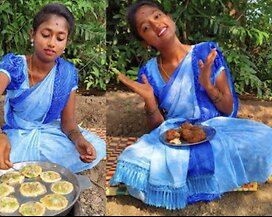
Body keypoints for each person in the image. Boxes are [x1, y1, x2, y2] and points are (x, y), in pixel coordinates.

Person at [110, 0, 272, 210]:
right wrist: (150, 101)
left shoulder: (206, 52)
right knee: (132, 158)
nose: (156, 24)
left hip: (217, 129)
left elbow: (227, 108)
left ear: (169, 18)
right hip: (176, 137)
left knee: (264, 137)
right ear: (145, 42)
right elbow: (157, 129)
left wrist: (208, 86)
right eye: (146, 27)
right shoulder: (149, 72)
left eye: (157, 16)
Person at [0, 3, 106, 181]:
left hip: (51, 136)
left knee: (97, 147)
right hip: (18, 135)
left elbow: (68, 122)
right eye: (45, 35)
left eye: (60, 38)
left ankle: (23, 166)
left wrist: (78, 141)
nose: (51, 43)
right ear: (33, 34)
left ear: (66, 42)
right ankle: (37, 164)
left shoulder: (68, 73)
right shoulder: (15, 66)